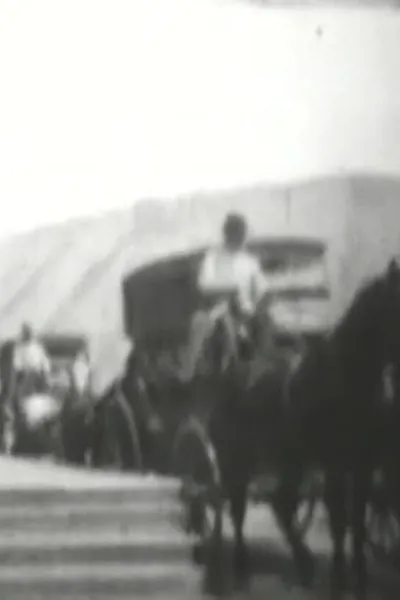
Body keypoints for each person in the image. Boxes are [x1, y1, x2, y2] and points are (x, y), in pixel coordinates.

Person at [180, 213, 273, 382]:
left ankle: (261, 370)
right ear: (226, 234)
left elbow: (263, 289)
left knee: (266, 321)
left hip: (247, 312)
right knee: (201, 323)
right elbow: (204, 285)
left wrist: (257, 305)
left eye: (239, 233)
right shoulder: (213, 258)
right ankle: (188, 375)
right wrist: (229, 292)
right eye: (233, 232)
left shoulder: (250, 261)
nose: (237, 237)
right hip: (219, 310)